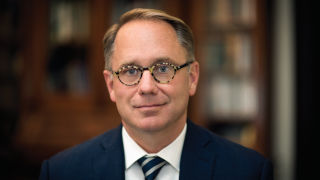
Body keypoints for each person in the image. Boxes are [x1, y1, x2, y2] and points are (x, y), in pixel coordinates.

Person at [39, 8, 273, 180]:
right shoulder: (62, 172)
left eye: (163, 68)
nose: (147, 87)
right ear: (111, 85)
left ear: (192, 78)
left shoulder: (248, 172)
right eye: (130, 71)